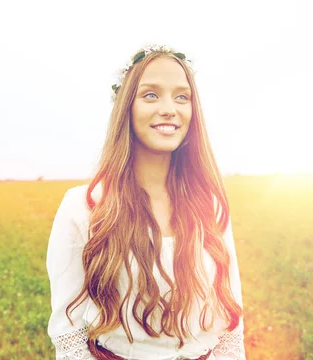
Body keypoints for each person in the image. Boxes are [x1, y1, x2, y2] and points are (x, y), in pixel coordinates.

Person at [46, 44, 246, 360]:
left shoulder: (210, 204)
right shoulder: (84, 207)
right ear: (126, 107)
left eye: (182, 96)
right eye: (151, 95)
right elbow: (68, 335)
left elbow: (231, 327)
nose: (169, 108)